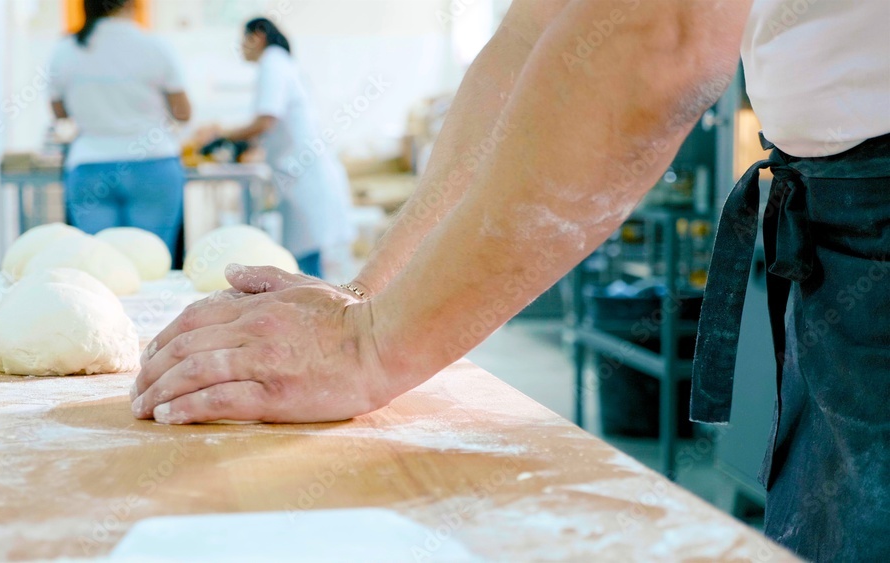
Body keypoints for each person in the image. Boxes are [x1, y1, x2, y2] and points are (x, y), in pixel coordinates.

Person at [130, 1, 889, 560]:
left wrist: (370, 348)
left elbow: (661, 34)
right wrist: (366, 298)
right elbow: (534, 35)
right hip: (837, 218)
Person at [198, 18, 355, 278]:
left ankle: (313, 312)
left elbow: (265, 120)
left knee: (306, 258)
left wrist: (220, 134)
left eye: (243, 40)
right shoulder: (280, 63)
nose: (242, 48)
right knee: (306, 254)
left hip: (304, 176)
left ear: (257, 36)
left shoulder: (272, 63)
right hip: (302, 172)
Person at [49, 0, 191, 262]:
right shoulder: (155, 46)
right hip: (153, 163)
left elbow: (60, 112)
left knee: (99, 264)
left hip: (90, 165)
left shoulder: (66, 49)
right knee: (152, 263)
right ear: (131, 4)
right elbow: (182, 112)